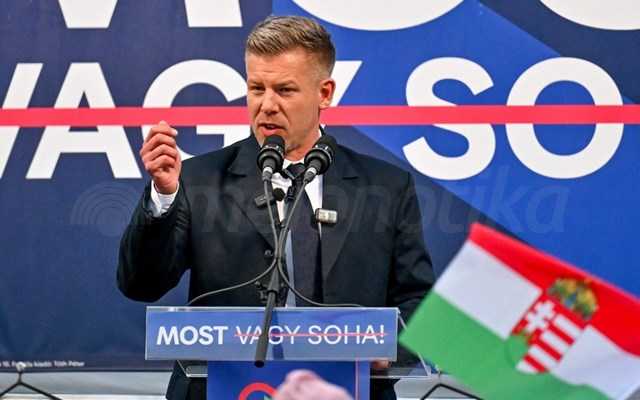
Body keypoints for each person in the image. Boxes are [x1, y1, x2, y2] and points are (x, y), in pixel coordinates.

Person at [118, 15, 434, 400]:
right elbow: (141, 284)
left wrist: (388, 351)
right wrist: (163, 196)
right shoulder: (199, 179)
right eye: (257, 88)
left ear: (324, 93)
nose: (267, 105)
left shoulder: (385, 186)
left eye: (285, 90)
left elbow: (417, 302)